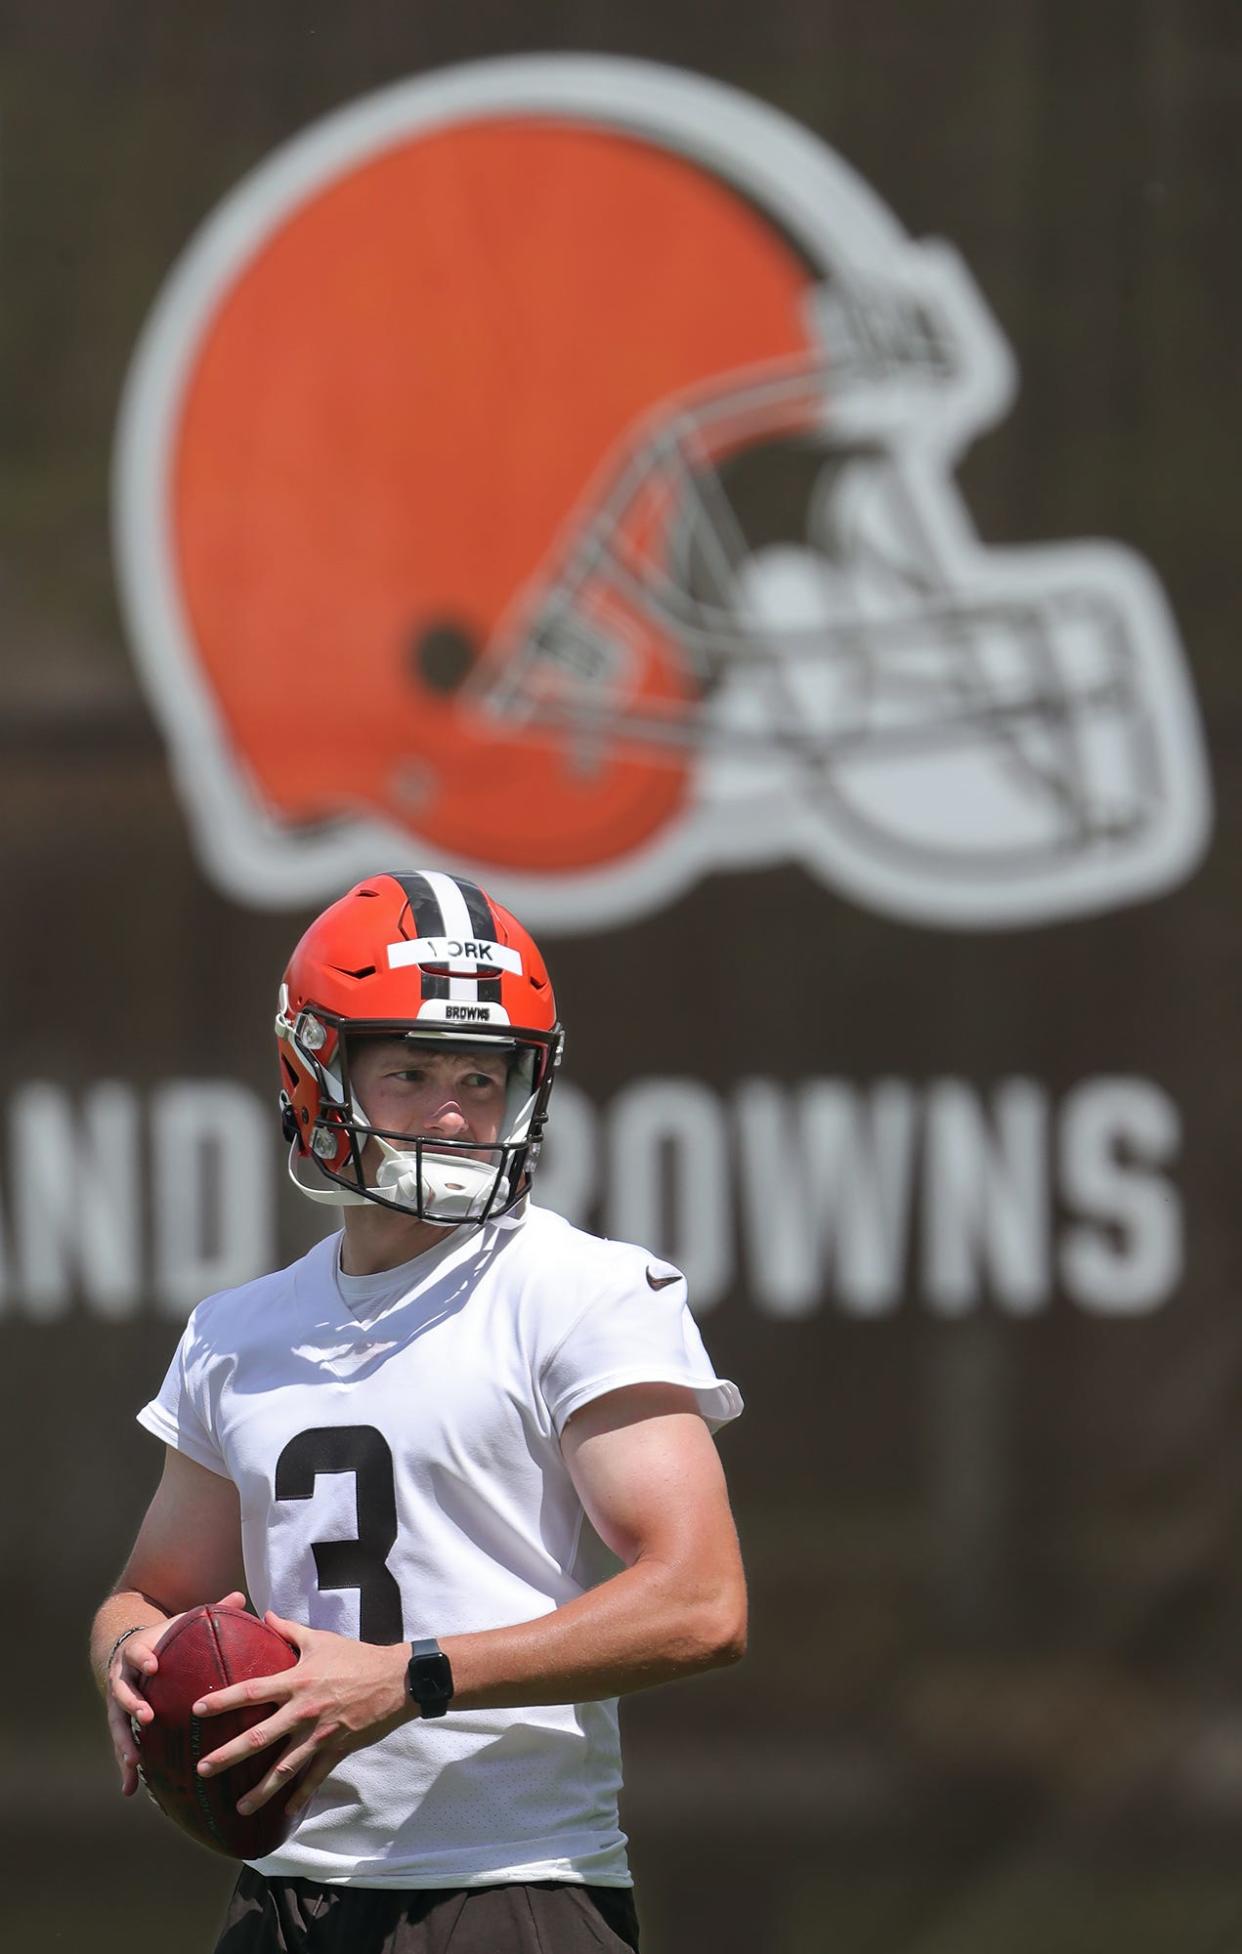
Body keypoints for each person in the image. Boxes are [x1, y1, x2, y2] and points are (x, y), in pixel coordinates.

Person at [90, 869, 745, 1954]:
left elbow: (703, 1601)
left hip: (507, 1890)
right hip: (282, 1897)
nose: (452, 1110)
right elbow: (148, 1593)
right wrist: (131, 1653)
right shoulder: (235, 1330)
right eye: (409, 1071)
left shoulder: (578, 1290)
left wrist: (409, 1679)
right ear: (318, 1069)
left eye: (483, 1077)